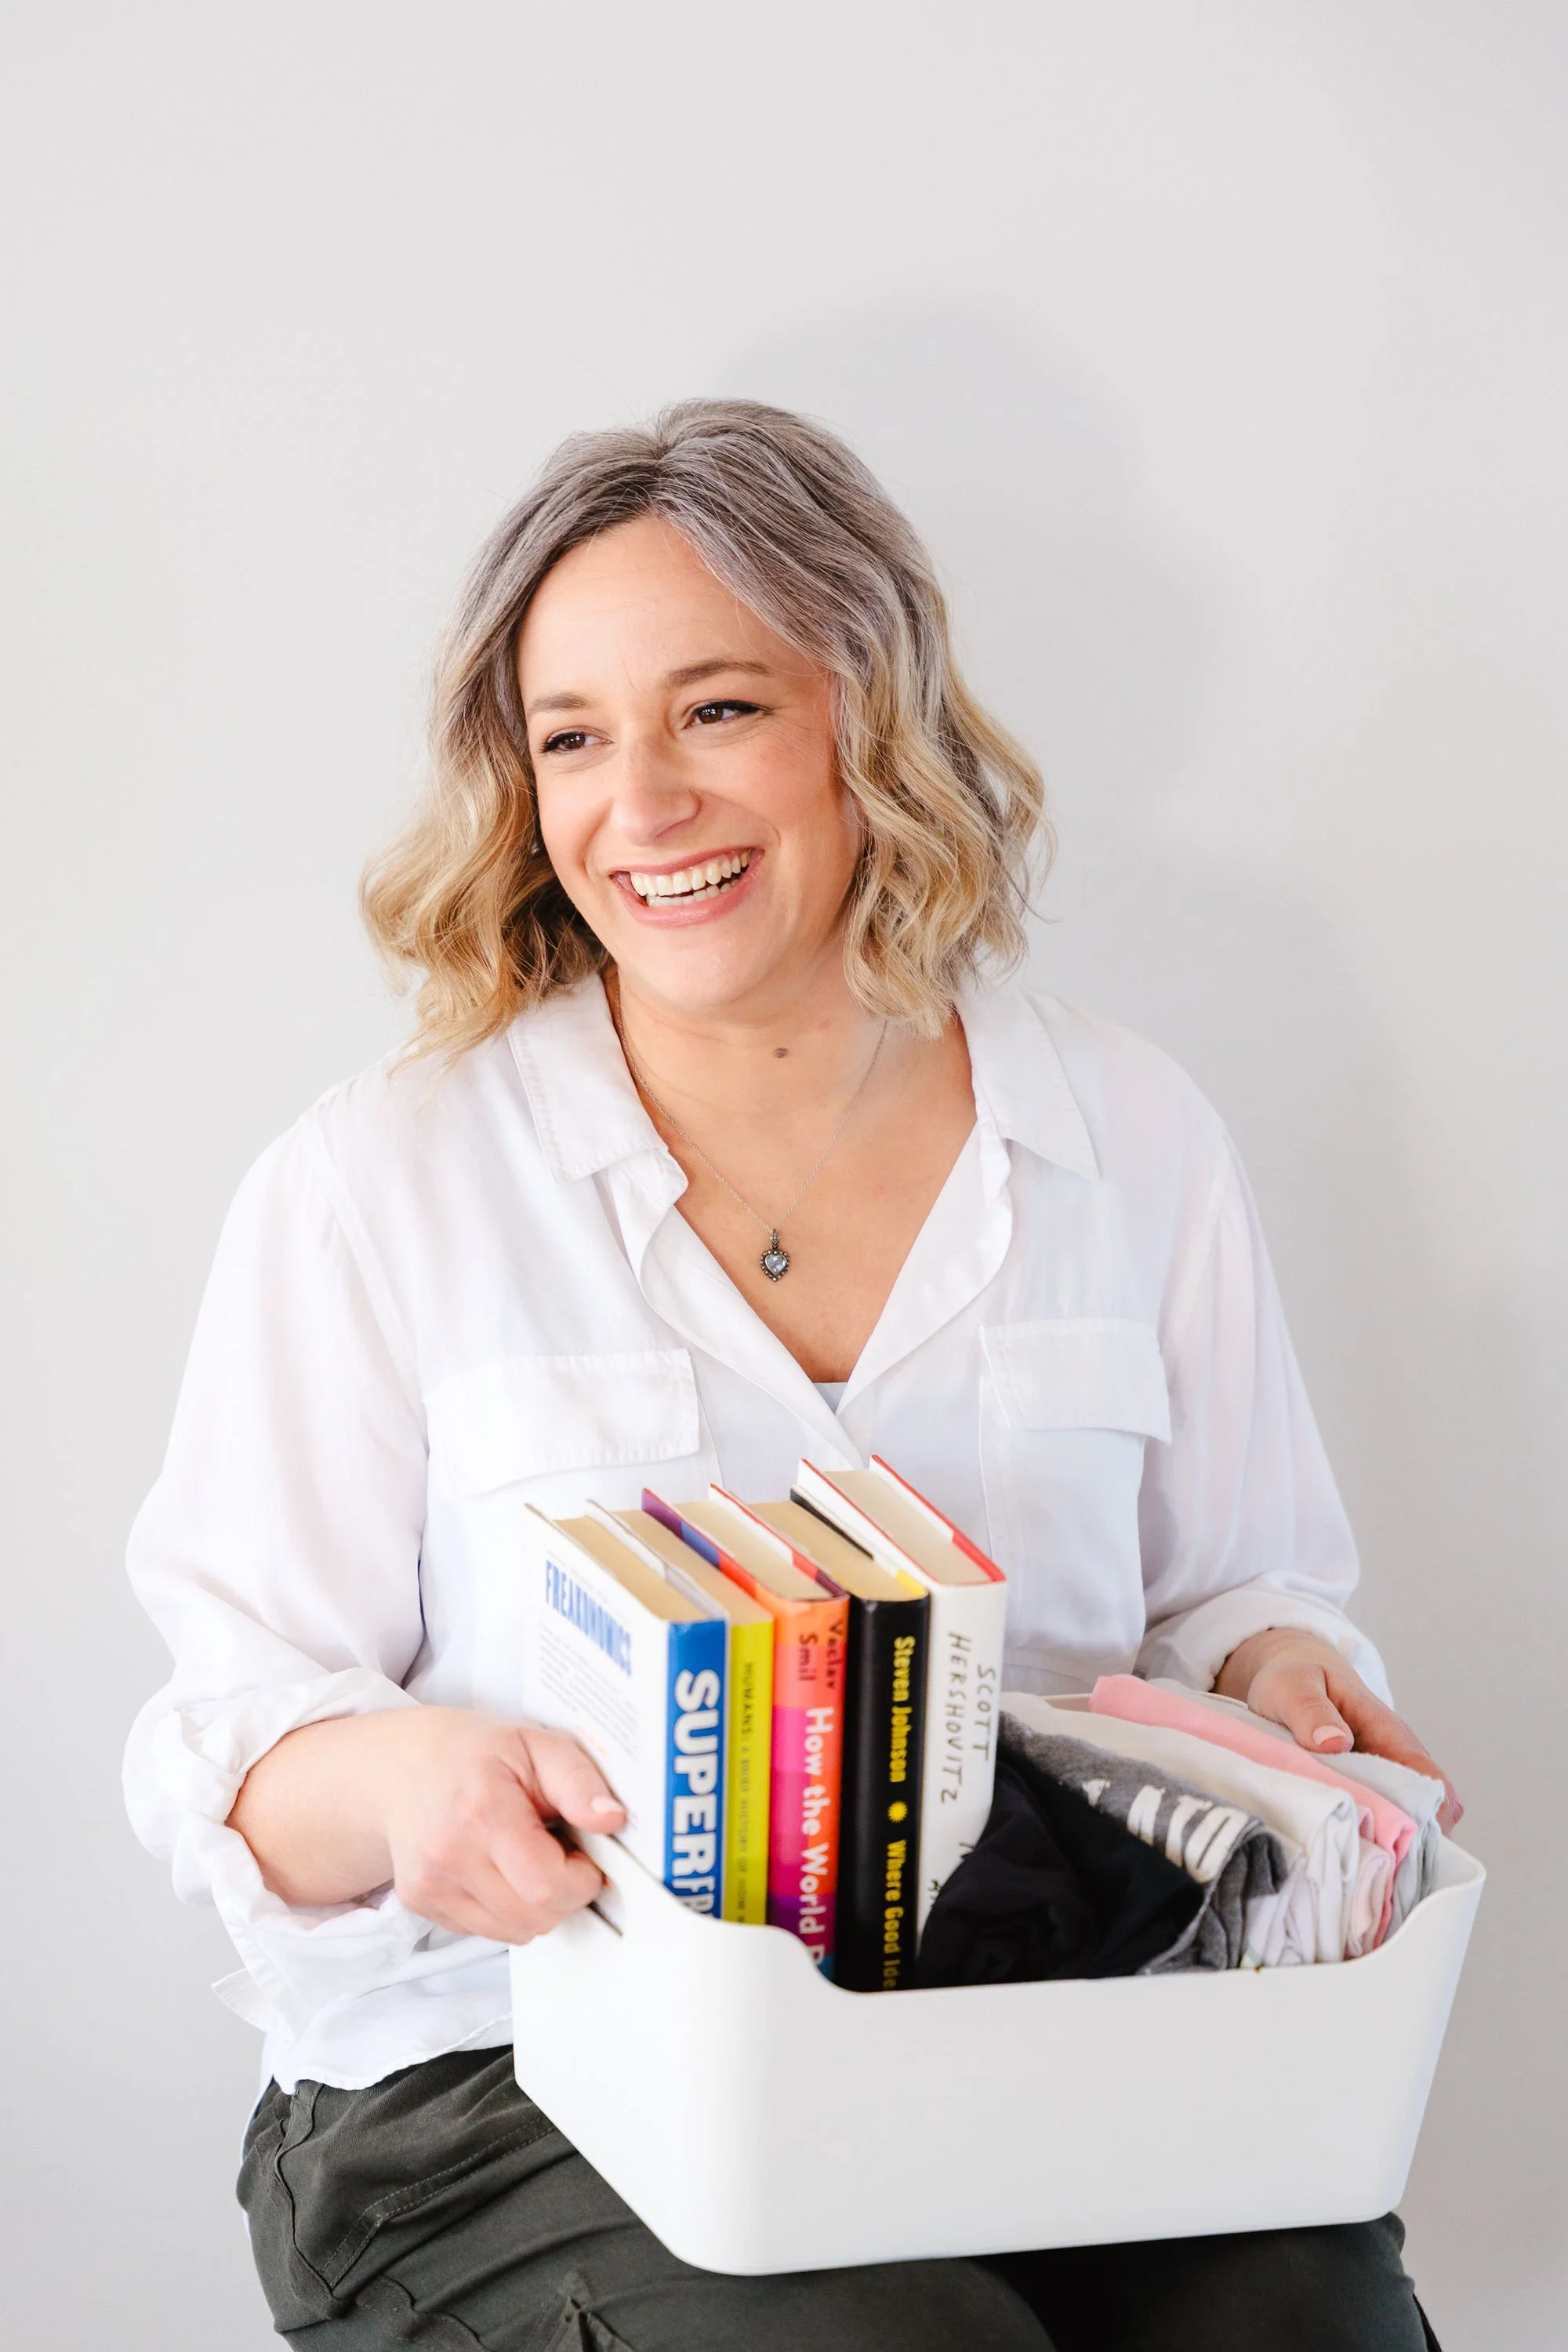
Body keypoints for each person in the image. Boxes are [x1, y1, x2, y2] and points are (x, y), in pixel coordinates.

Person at [125, 399, 1460, 2350]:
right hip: (500, 2093)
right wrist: (407, 1781)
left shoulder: (1130, 1135)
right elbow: (220, 1748)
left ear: (870, 714)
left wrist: (1286, 1678)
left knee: (1310, 2317)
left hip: (1025, 2059)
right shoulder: (380, 1180)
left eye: (718, 711)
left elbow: (1243, 1588)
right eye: (572, 737)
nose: (640, 804)